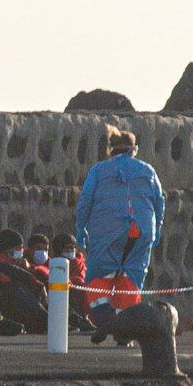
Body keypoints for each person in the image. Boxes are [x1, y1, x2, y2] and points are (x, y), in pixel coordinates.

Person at [75, 125, 166, 330]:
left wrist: (81, 229)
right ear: (134, 149)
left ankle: (107, 319)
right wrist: (157, 228)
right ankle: (127, 329)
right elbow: (159, 202)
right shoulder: (147, 170)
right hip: (141, 231)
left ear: (111, 148)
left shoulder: (98, 170)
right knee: (131, 279)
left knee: (99, 277)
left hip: (107, 231)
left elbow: (85, 201)